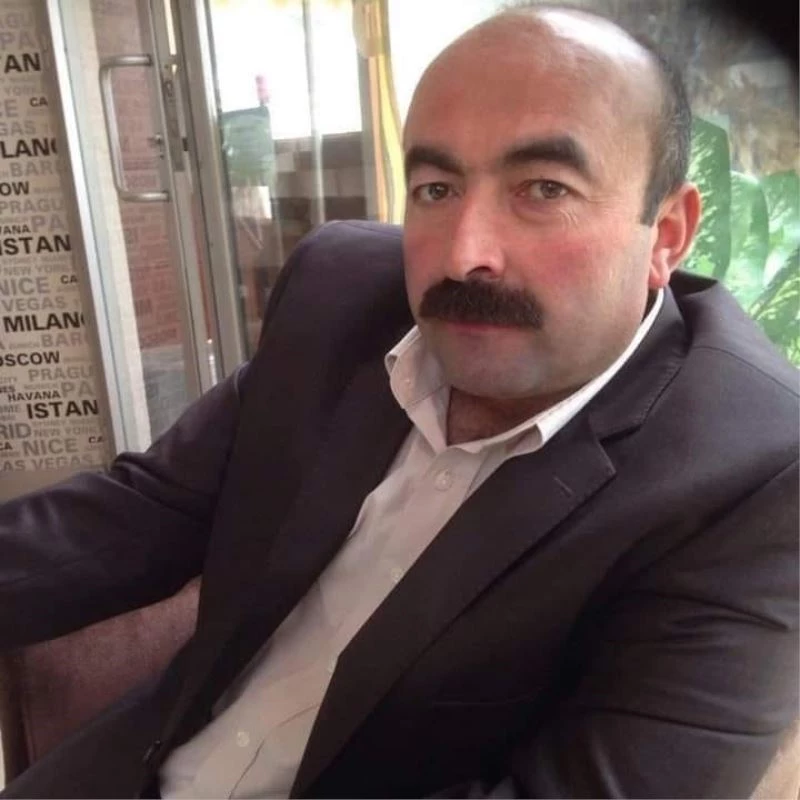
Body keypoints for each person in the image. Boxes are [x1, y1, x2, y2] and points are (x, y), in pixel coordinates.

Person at [1, 6, 798, 798]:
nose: (464, 254)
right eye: (436, 187)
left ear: (667, 232)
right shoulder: (340, 297)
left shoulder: (753, 477)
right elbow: (141, 514)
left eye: (544, 188)